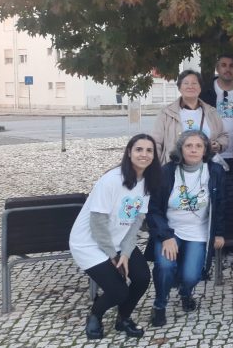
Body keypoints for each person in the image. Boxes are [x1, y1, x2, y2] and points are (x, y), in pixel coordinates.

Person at [69, 134, 163, 340]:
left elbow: (137, 221)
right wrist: (113, 256)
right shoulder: (111, 180)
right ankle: (95, 314)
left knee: (142, 278)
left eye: (149, 150)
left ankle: (123, 318)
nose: (144, 154)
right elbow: (97, 223)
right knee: (118, 291)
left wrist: (126, 253)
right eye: (139, 149)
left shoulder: (148, 182)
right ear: (129, 152)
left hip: (119, 240)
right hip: (90, 243)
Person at [146, 130, 225, 327]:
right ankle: (159, 305)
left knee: (191, 275)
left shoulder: (215, 171)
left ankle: (185, 292)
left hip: (199, 231)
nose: (193, 150)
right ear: (180, 149)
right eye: (189, 146)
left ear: (205, 150)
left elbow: (222, 204)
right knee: (165, 266)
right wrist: (165, 236)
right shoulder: (167, 172)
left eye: (199, 146)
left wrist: (219, 233)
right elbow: (153, 209)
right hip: (170, 231)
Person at [152, 70, 228, 164]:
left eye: (194, 83)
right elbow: (156, 143)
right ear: (179, 88)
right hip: (174, 166)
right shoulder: (166, 113)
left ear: (200, 88)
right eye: (186, 83)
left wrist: (218, 145)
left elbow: (223, 136)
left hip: (206, 166)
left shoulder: (211, 112)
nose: (190, 86)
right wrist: (155, 166)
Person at [198, 53, 233, 168]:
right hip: (212, 154)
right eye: (223, 65)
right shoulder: (205, 91)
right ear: (217, 68)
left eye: (231, 66)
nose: (228, 69)